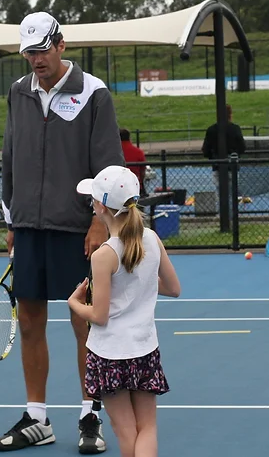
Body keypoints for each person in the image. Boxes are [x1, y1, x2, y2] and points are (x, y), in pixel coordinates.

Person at [0, 11, 125, 454]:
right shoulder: (18, 92)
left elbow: (109, 165)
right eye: (29, 52)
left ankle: (91, 414)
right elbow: (10, 157)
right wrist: (12, 220)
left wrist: (97, 221)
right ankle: (37, 417)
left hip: (77, 229)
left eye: (42, 50)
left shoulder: (94, 93)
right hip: (28, 227)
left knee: (84, 324)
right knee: (30, 321)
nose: (36, 60)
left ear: (61, 44)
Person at [68, 165, 181, 457]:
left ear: (101, 207)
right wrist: (141, 283)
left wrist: (75, 304)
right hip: (145, 349)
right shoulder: (152, 239)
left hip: (109, 354)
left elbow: (100, 315)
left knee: (126, 431)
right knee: (148, 429)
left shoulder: (103, 255)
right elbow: (173, 288)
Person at [201, 104, 245, 183]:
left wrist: (213, 157)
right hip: (232, 165)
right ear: (230, 114)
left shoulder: (211, 130)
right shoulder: (235, 129)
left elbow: (205, 150)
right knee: (233, 189)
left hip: (217, 165)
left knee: (219, 190)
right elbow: (242, 147)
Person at [119, 129, 147, 196]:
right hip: (135, 187)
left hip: (118, 188)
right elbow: (143, 171)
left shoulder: (113, 152)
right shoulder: (138, 152)